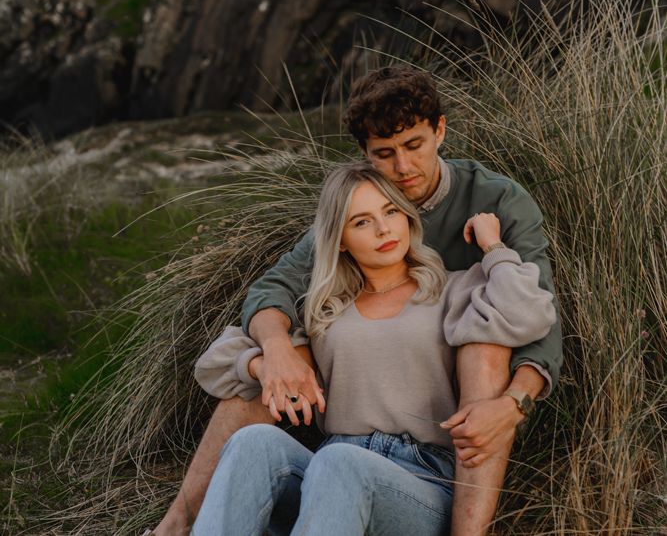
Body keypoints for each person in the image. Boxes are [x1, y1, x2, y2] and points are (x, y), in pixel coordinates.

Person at [152, 65, 562, 536]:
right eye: (384, 155)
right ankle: (176, 527)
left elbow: (537, 320)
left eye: (414, 146)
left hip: (429, 463)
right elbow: (273, 288)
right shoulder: (334, 282)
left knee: (484, 348)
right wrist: (276, 357)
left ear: (440, 131)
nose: (403, 169)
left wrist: (513, 404)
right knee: (257, 444)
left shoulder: (488, 226)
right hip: (338, 457)